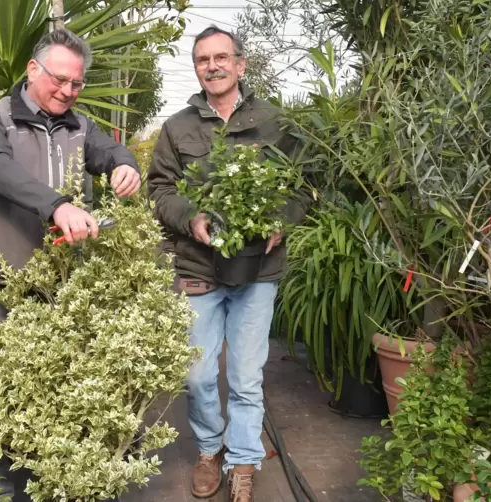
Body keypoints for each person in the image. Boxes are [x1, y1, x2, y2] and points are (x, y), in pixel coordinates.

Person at [0, 28, 141, 497]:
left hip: (57, 289)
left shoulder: (80, 126)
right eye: (60, 80)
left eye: (77, 84)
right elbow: (0, 170)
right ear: (32, 70)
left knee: (55, 402)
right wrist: (58, 205)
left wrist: (125, 165)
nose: (68, 91)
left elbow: (110, 150)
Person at [147, 25, 310, 502]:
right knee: (196, 374)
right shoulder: (178, 127)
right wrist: (190, 218)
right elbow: (160, 189)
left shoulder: (276, 123)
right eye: (203, 59)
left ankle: (242, 459)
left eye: (222, 57)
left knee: (244, 373)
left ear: (240, 64)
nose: (213, 66)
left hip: (258, 267)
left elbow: (301, 186)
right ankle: (208, 449)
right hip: (198, 266)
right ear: (196, 68)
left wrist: (280, 220)